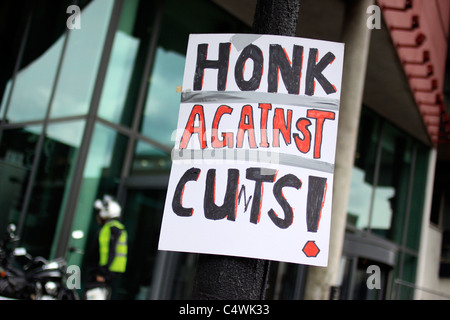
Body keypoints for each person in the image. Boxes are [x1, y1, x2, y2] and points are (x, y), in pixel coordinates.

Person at [84, 195, 128, 300]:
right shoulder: (114, 228)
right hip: (103, 272)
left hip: (102, 273)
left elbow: (111, 251)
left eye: (99, 213)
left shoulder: (111, 228)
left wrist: (102, 273)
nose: (98, 217)